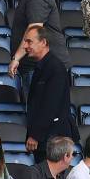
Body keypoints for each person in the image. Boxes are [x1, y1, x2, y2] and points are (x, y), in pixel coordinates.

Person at [7, 0, 71, 98]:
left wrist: (16, 58)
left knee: (41, 111)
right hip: (38, 65)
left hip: (42, 66)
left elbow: (34, 30)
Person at [23, 25, 76, 163]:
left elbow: (50, 105)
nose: (25, 46)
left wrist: (34, 135)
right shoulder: (43, 66)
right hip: (46, 138)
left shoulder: (54, 67)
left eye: (29, 41)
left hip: (53, 139)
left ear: (44, 42)